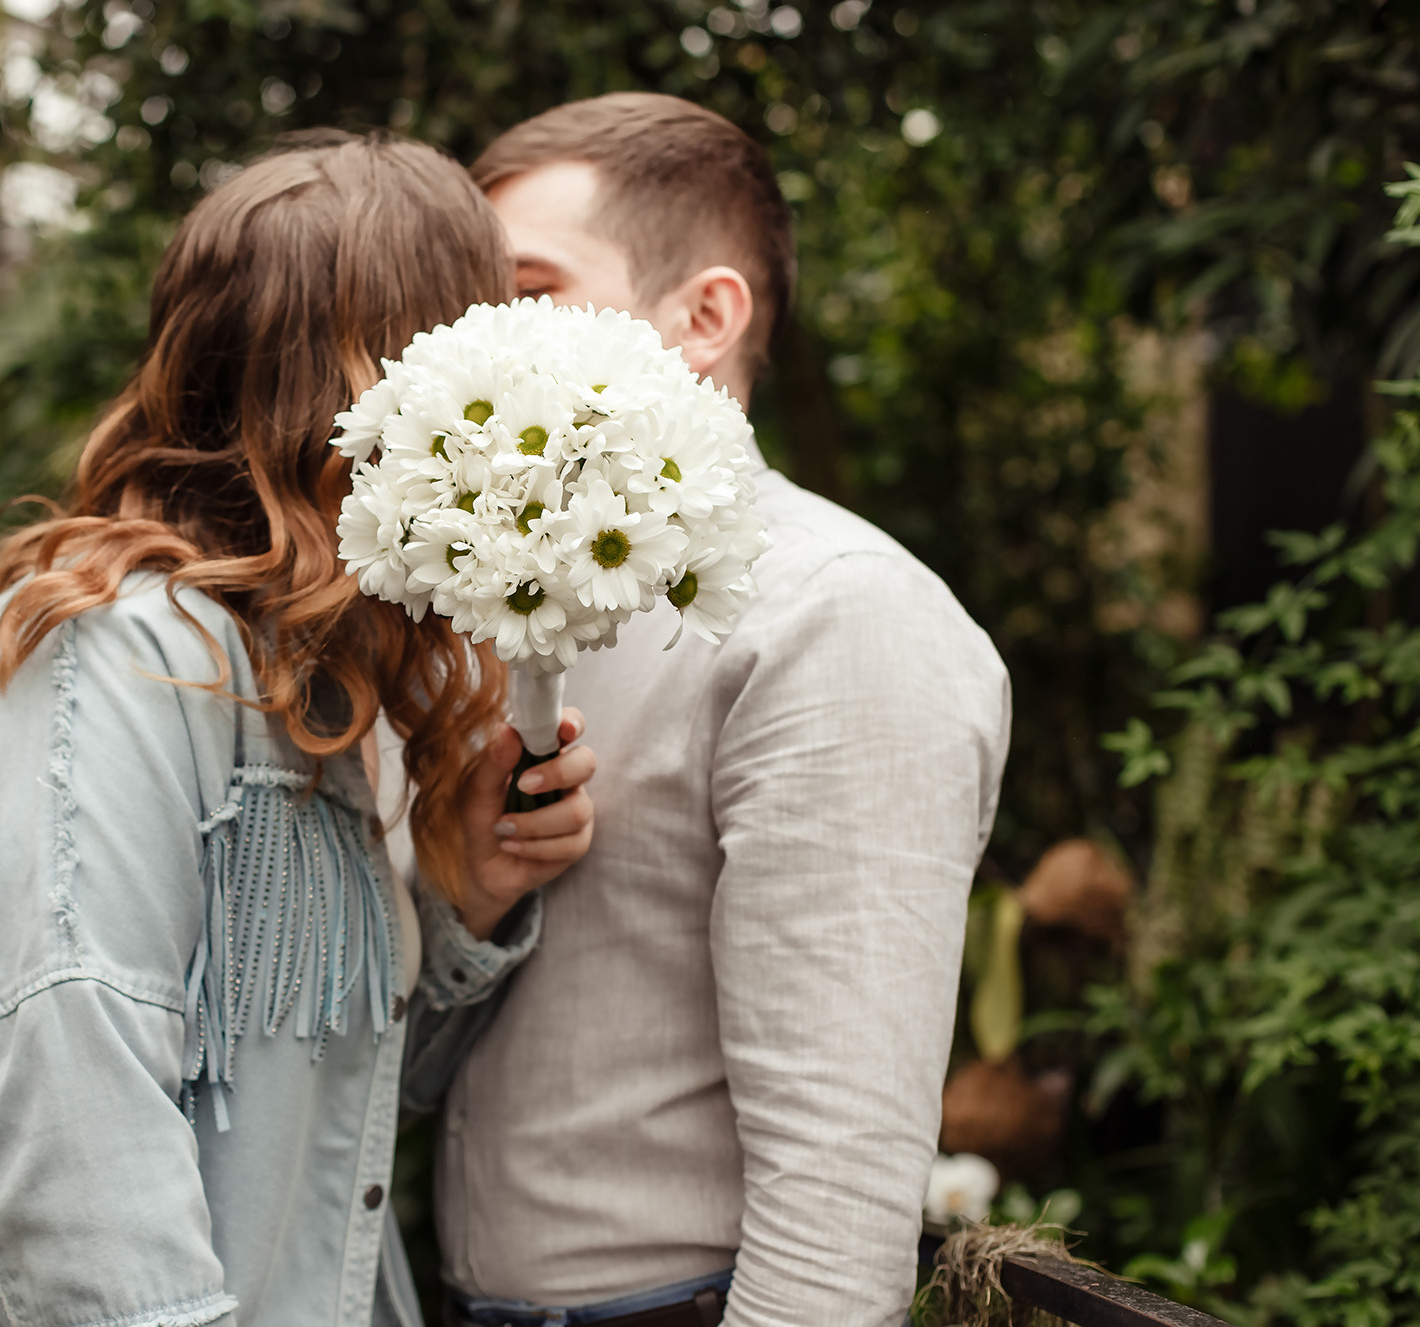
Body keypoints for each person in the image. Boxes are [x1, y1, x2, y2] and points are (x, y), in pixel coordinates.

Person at [0, 133, 598, 1327]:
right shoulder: (103, 656)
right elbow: (68, 1134)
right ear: (404, 382)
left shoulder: (306, 675)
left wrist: (466, 900)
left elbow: (321, 1114)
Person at [427, 94, 1012, 1327]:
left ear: (704, 316)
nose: (480, 340)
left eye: (527, 292)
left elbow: (842, 1172)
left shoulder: (842, 620)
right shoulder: (521, 596)